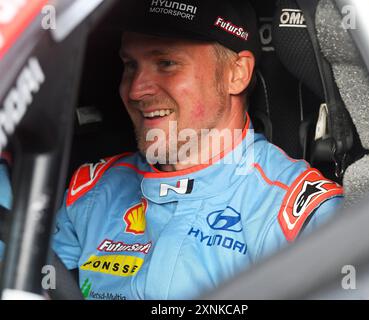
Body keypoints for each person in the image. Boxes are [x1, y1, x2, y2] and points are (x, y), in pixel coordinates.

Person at [5, 0, 343, 300]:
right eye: (129, 65)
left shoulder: (292, 212)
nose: (136, 90)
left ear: (236, 74)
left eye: (166, 63)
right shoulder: (93, 191)